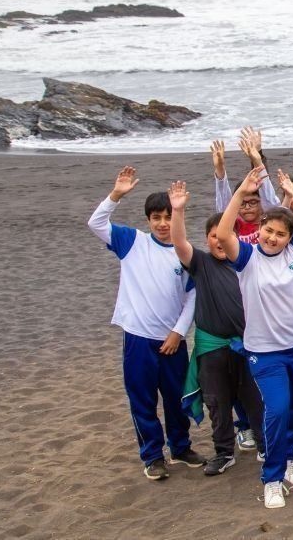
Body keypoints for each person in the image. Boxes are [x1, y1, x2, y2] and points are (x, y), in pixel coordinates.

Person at [217, 158, 293, 509]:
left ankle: (286, 460)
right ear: (262, 227)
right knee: (278, 408)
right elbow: (223, 234)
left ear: (288, 238)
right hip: (265, 352)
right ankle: (271, 476)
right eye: (269, 231)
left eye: (281, 234)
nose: (273, 238)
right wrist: (242, 192)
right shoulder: (247, 257)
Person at [87, 167, 204, 481]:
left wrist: (179, 332)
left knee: (176, 398)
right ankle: (153, 456)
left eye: (168, 217)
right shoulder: (131, 241)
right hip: (138, 338)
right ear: (148, 220)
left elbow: (193, 296)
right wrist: (116, 195)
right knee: (143, 400)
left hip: (172, 341)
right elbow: (96, 223)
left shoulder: (184, 251)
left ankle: (180, 448)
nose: (163, 224)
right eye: (157, 218)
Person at [169, 181, 266, 476]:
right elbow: (179, 243)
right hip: (212, 347)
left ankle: (264, 446)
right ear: (208, 240)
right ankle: (224, 453)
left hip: (247, 344)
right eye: (213, 237)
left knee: (255, 399)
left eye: (225, 236)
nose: (219, 242)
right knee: (217, 403)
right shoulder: (200, 263)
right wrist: (178, 211)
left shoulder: (247, 263)